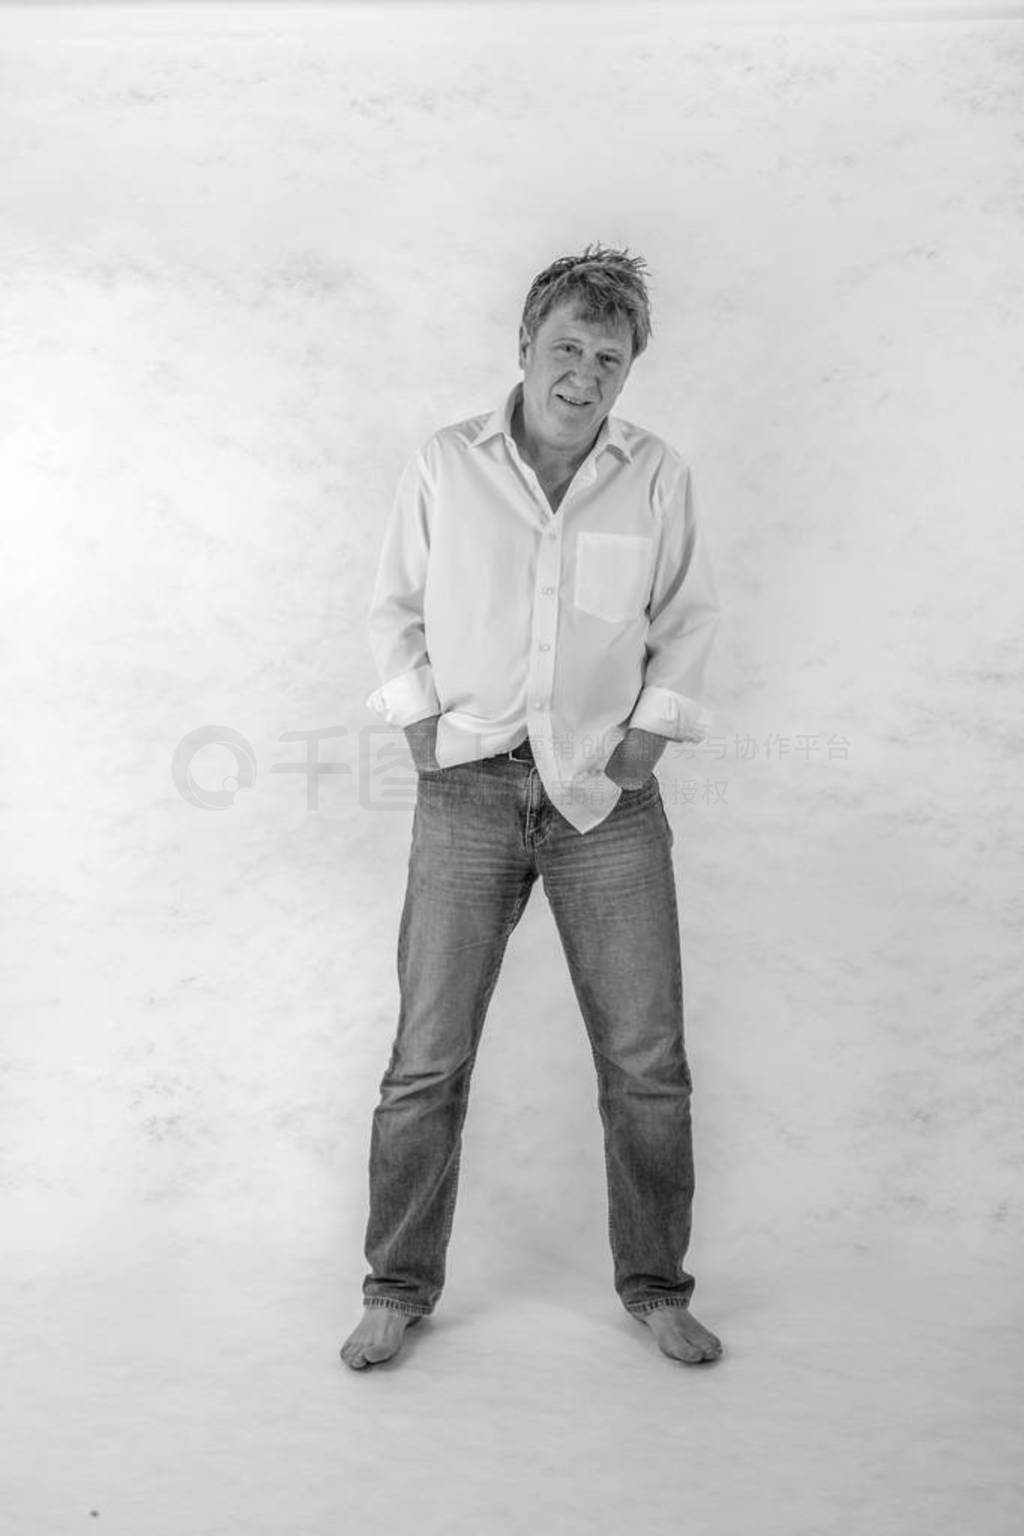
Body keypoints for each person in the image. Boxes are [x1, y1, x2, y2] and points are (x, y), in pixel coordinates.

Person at [341, 243, 723, 1370]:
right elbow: (391, 607)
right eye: (567, 346)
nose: (584, 372)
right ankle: (396, 1287)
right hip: (465, 787)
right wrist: (422, 729)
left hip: (606, 798)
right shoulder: (443, 466)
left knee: (647, 1061)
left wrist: (644, 746)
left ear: (627, 370)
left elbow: (688, 617)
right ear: (524, 345)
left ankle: (655, 1287)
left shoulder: (654, 474)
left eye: (609, 356)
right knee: (426, 1057)